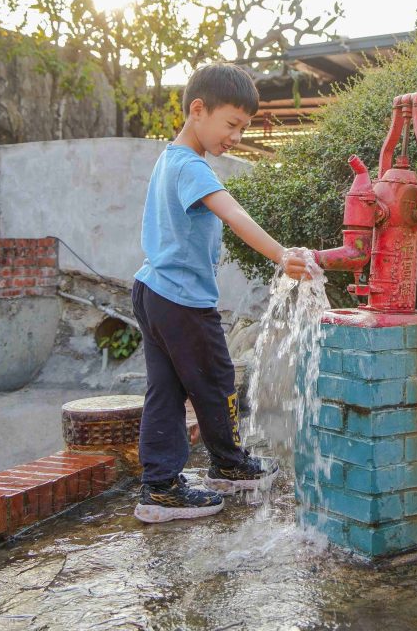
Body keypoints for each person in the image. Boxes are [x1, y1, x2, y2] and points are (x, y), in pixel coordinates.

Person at [131, 63, 313, 523]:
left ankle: (160, 487)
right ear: (198, 110)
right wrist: (281, 254)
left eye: (243, 127)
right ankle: (229, 466)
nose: (236, 135)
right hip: (183, 301)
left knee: (166, 392)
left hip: (152, 290)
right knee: (215, 384)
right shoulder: (191, 167)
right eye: (231, 124)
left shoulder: (168, 159)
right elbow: (232, 213)